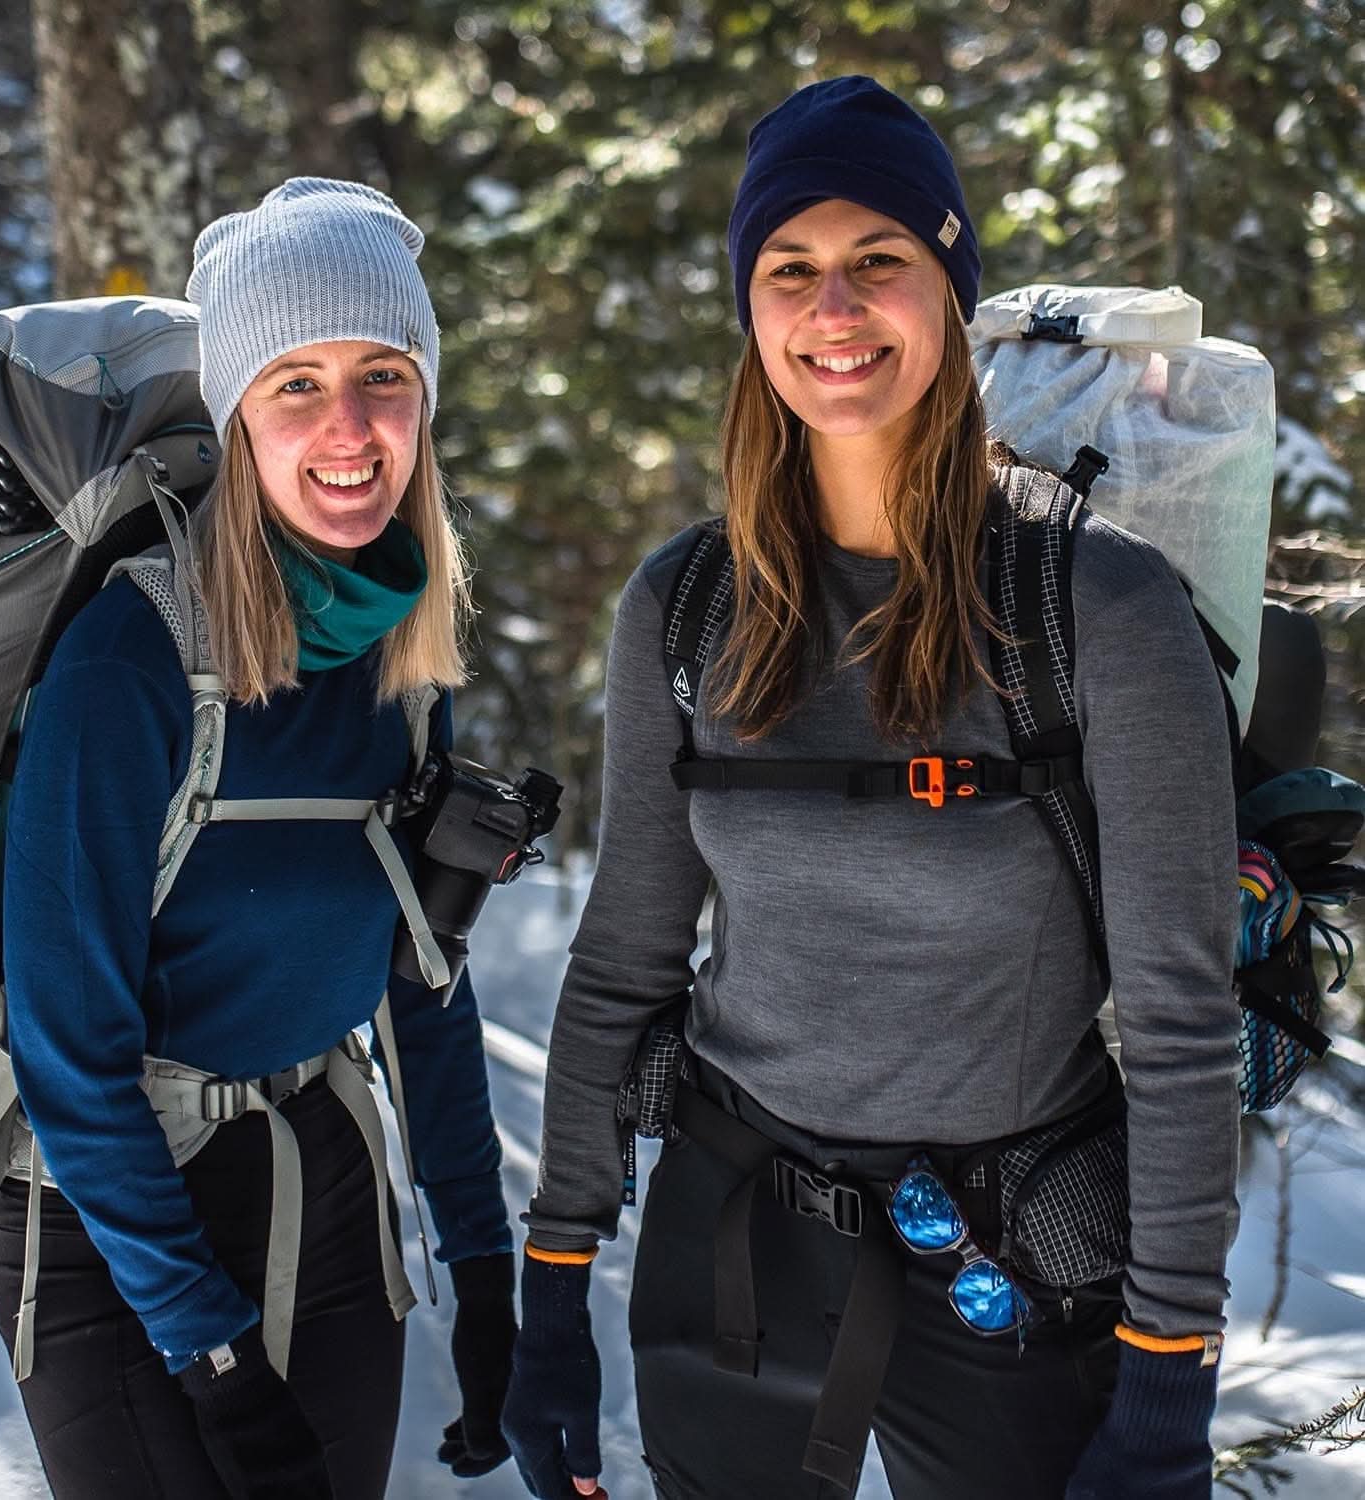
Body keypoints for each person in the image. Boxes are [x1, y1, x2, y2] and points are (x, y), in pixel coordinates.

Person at [501, 78, 1239, 1500]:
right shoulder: (686, 605)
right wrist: (555, 1289)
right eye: (789, 268)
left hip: (1010, 1256)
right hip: (734, 1235)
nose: (833, 308)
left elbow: (1178, 1018)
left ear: (949, 290)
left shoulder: (1098, 606)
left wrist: (1167, 1376)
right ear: (750, 309)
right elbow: (624, 960)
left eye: (878, 258)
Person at [0, 179, 517, 1500]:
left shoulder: (400, 665)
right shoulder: (132, 661)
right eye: (296, 384)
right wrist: (210, 1350)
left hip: (322, 1174)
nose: (350, 427)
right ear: (237, 414)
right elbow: (64, 1051)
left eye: (384, 375)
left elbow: (424, 980)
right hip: (116, 1215)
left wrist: (483, 1261)